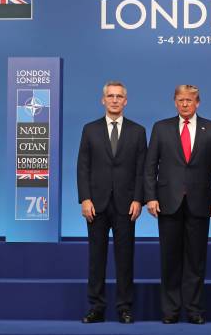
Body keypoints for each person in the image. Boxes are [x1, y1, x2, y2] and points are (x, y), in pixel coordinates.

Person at [144, 84, 211, 324]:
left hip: (201, 203)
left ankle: (194, 310)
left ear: (198, 102)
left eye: (189, 100)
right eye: (180, 100)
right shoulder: (161, 128)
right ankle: (171, 310)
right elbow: (150, 167)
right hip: (168, 203)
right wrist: (151, 197)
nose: (185, 104)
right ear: (175, 102)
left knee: (196, 260)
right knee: (170, 259)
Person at [77, 81, 147, 324]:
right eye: (110, 96)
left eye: (119, 96)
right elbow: (82, 167)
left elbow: (142, 170)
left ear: (125, 101)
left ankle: (124, 307)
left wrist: (139, 198)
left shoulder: (138, 131)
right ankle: (96, 307)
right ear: (103, 100)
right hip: (96, 204)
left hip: (126, 205)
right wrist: (84, 198)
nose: (115, 100)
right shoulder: (90, 129)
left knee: (125, 259)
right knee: (96, 259)